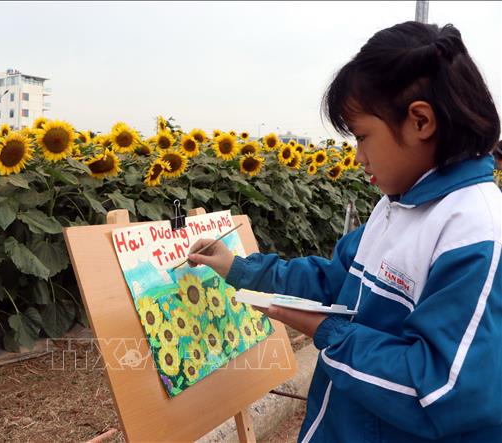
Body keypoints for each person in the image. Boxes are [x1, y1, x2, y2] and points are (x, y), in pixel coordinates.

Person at [189, 21, 501, 443]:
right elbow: (334, 280)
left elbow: (443, 392)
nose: (358, 157)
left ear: (420, 121)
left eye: (363, 136)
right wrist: (240, 269)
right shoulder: (397, 206)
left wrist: (328, 332)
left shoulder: (473, 232)